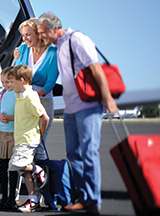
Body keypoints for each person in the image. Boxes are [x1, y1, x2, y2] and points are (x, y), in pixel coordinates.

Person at [36, 13, 118, 215]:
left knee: (89, 152)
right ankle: (84, 197)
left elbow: (96, 69)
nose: (42, 37)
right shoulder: (58, 46)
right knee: (73, 154)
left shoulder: (77, 40)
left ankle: (94, 202)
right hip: (71, 109)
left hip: (88, 107)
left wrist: (107, 98)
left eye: (43, 33)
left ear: (55, 29)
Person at [14, 18, 59, 161]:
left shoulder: (53, 54)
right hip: (24, 101)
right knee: (26, 144)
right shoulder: (22, 49)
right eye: (23, 35)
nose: (25, 38)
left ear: (38, 34)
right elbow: (18, 74)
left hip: (43, 100)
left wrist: (37, 94)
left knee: (39, 145)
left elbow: (51, 81)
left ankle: (45, 179)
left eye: (28, 34)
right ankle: (29, 180)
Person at [8, 65, 50, 213]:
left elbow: (45, 117)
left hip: (27, 140)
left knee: (15, 165)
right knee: (25, 173)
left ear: (22, 80)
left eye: (13, 82)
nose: (11, 85)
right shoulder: (20, 95)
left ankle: (38, 170)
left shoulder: (31, 97)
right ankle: (33, 201)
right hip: (21, 139)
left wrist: (41, 134)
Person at [0, 66, 19, 210]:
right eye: (3, 82)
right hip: (2, 135)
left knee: (13, 168)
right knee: (2, 168)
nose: (5, 85)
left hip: (14, 135)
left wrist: (10, 118)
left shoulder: (18, 95)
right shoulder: (0, 95)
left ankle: (12, 199)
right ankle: (4, 197)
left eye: (8, 81)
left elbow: (22, 116)